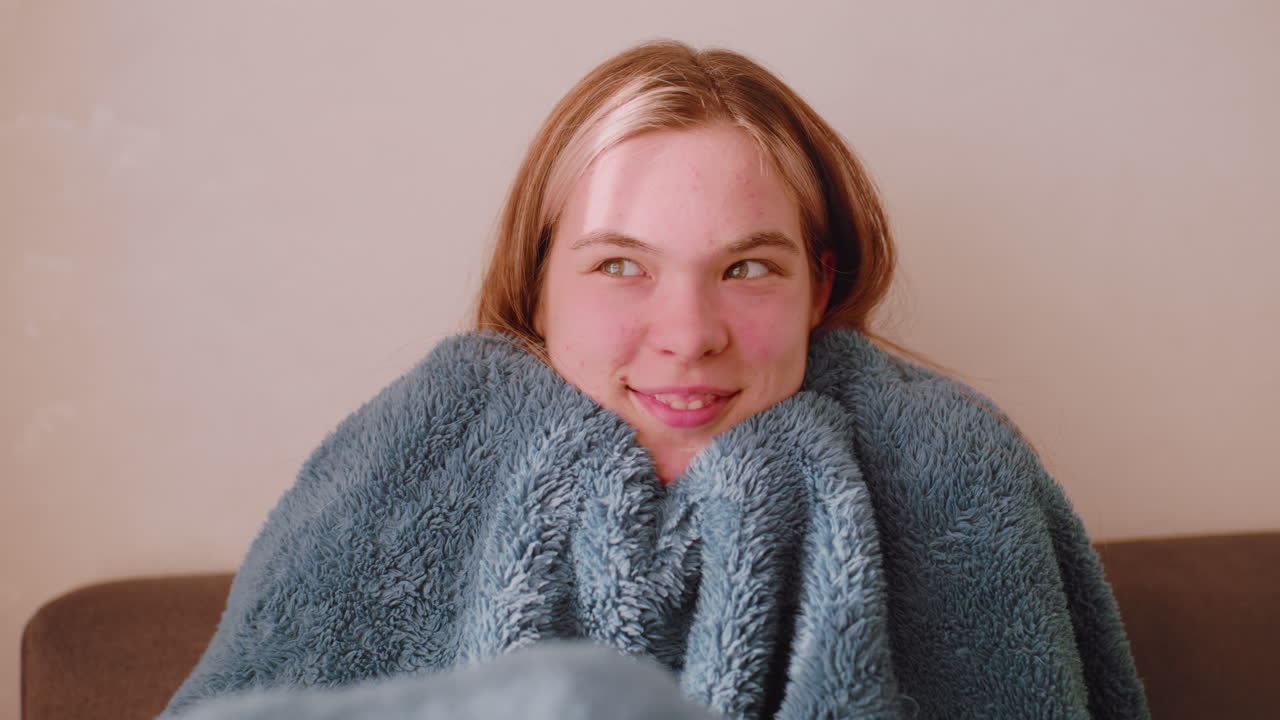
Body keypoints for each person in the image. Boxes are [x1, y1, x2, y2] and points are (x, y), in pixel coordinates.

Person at [162, 41, 1149, 720]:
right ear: (537, 284)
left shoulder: (946, 467)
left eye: (748, 267)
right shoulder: (415, 450)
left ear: (820, 284)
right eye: (618, 265)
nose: (685, 336)